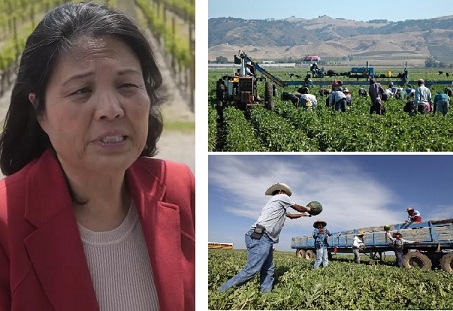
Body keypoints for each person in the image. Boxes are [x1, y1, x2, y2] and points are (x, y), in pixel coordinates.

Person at [0, 3, 195, 311]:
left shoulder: (181, 188)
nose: (111, 108)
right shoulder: (5, 222)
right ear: (40, 111)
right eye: (82, 90)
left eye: (127, 85)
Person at [219, 183, 312, 293]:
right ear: (281, 191)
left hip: (264, 238)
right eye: (286, 193)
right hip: (261, 236)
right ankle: (221, 292)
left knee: (268, 268)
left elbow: (291, 215)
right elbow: (298, 208)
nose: (287, 196)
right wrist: (308, 208)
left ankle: (265, 294)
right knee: (252, 269)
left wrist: (304, 215)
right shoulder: (281, 197)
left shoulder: (277, 205)